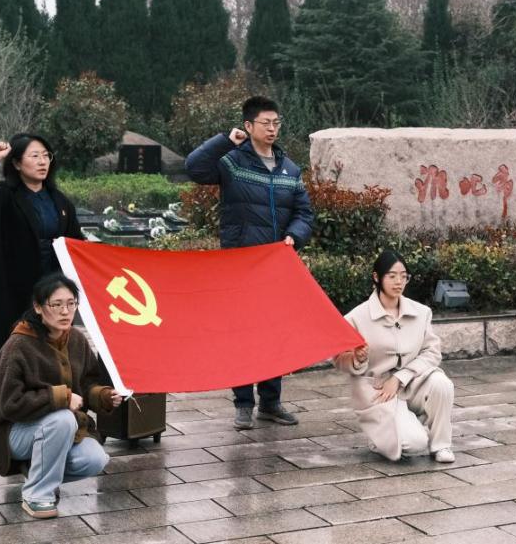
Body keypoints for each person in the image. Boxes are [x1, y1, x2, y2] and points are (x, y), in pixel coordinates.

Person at [185, 95, 314, 429]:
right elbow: (194, 168)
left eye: (276, 122)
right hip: (239, 265)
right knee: (241, 334)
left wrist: (294, 235)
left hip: (275, 268)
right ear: (248, 125)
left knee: (273, 334)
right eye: (265, 123)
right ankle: (243, 404)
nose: (272, 128)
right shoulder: (232, 162)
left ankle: (270, 402)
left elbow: (304, 212)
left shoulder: (289, 168)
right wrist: (225, 141)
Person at [0, 274, 123, 519]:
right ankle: (37, 495)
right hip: (14, 431)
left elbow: (87, 383)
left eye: (71, 303)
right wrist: (61, 398)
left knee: (95, 459)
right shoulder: (19, 345)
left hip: (54, 430)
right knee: (63, 418)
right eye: (56, 304)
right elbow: (11, 404)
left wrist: (104, 396)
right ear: (38, 307)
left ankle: (37, 471)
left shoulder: (76, 339)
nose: (65, 311)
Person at [0, 134, 84, 370]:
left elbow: (76, 241)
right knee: (13, 345)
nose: (42, 161)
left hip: (51, 284)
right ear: (16, 163)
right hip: (11, 284)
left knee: (50, 343)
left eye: (46, 155)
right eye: (34, 156)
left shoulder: (60, 201)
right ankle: (12, 386)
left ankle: (47, 384)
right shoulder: (3, 196)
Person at [334, 250, 456, 463]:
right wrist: (357, 358)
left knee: (441, 384)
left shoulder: (421, 313)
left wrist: (400, 377)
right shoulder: (356, 318)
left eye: (403, 276)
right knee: (414, 444)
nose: (399, 282)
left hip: (413, 382)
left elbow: (432, 351)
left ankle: (441, 445)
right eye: (392, 276)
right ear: (376, 277)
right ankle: (387, 433)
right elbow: (338, 358)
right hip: (378, 391)